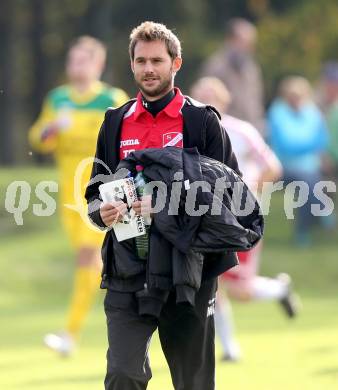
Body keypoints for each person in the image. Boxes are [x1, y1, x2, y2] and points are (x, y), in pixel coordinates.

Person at [85, 22, 243, 390]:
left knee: (193, 382)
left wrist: (166, 206)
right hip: (127, 270)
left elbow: (231, 195)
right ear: (132, 65)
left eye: (157, 60)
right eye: (141, 61)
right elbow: (94, 194)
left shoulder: (201, 121)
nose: (148, 69)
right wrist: (101, 213)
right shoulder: (114, 122)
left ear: (176, 63)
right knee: (124, 374)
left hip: (188, 272)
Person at [28, 36, 129, 356]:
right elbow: (39, 138)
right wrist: (51, 130)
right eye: (71, 60)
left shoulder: (111, 99)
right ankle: (134, 307)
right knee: (93, 264)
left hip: (101, 192)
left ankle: (69, 334)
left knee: (88, 257)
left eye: (82, 60)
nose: (75, 67)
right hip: (66, 195)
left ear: (98, 64)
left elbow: (126, 140)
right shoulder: (58, 99)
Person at [190, 76, 300, 362]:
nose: (205, 99)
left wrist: (248, 198)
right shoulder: (190, 134)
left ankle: (279, 289)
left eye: (211, 94)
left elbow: (272, 167)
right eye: (200, 94)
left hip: (240, 221)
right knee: (211, 282)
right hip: (206, 219)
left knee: (240, 290)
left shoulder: (241, 131)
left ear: (224, 99)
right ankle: (228, 348)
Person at [267, 76, 329, 246]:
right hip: (283, 166)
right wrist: (307, 145)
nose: (296, 100)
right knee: (309, 182)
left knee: (309, 182)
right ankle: (318, 215)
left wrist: (303, 145)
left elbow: (322, 140)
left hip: (310, 166)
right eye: (292, 96)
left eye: (300, 96)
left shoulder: (312, 112)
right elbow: (285, 145)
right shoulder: (277, 113)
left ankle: (307, 227)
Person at [199, 18, 265, 132]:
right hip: (224, 132)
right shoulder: (215, 67)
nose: (249, 48)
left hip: (250, 130)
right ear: (230, 40)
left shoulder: (251, 68)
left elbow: (256, 100)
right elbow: (206, 105)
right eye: (245, 43)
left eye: (251, 44)